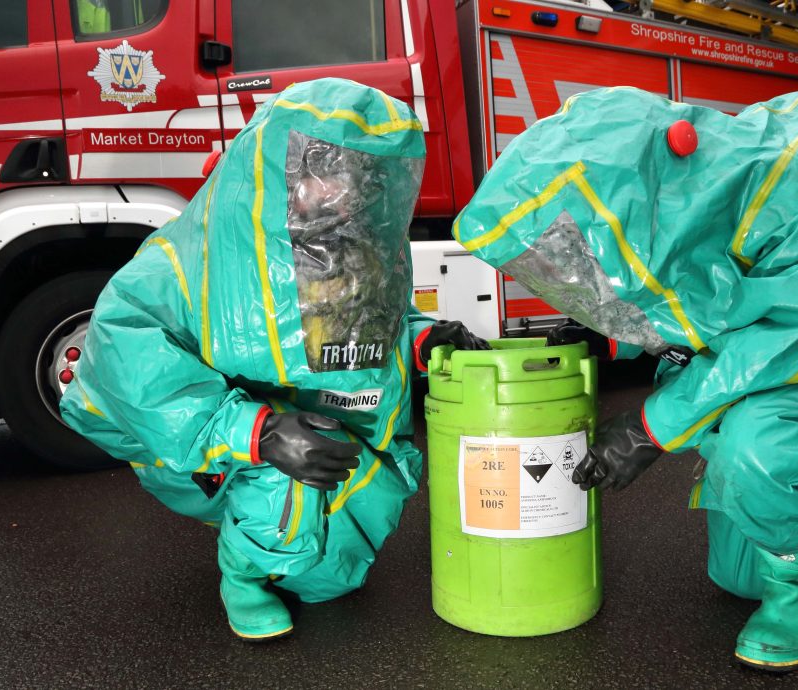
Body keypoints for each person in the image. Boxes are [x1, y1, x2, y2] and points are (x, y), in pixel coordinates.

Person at [452, 87, 798, 670]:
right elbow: (697, 306)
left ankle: (796, 594)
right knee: (742, 575)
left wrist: (648, 429)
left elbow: (784, 339)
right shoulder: (690, 212)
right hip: (792, 360)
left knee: (758, 442)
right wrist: (604, 336)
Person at [60, 78, 486, 640]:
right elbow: (125, 355)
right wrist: (255, 432)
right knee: (285, 482)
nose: (341, 194)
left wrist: (423, 340)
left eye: (359, 177)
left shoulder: (350, 256)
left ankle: (290, 547)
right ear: (279, 165)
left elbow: (371, 329)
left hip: (332, 432)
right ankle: (243, 577)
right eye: (324, 172)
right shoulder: (190, 259)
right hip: (223, 452)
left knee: (335, 571)